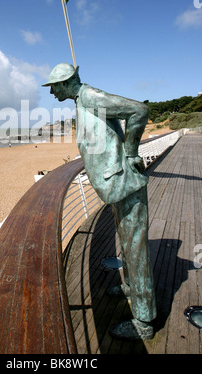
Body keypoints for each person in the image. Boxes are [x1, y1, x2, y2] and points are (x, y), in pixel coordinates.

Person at [42, 63, 157, 341]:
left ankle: (144, 321)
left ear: (67, 82)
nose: (52, 92)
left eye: (54, 86)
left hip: (125, 181)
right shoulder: (82, 100)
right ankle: (130, 287)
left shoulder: (90, 96)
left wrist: (130, 153)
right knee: (127, 241)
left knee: (135, 248)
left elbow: (139, 110)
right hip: (117, 184)